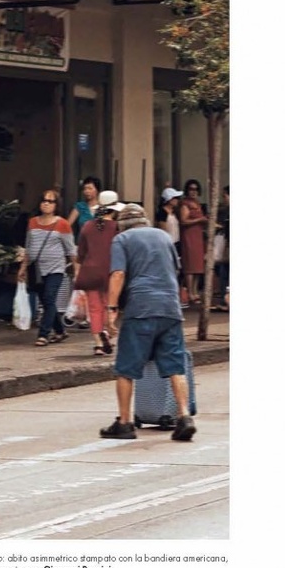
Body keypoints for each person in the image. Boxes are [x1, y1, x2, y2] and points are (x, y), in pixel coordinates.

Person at [100, 203, 196, 442]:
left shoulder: (121, 240)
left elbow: (118, 274)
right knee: (175, 366)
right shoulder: (164, 237)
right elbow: (175, 269)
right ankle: (184, 416)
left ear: (122, 225)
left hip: (141, 308)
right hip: (170, 308)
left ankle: (124, 423)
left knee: (126, 368)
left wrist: (111, 309)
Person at [18, 190, 77, 347]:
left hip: (55, 268)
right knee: (46, 301)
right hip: (36, 269)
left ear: (56, 205)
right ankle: (60, 331)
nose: (46, 204)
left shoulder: (62, 224)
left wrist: (76, 268)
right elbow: (28, 246)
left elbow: (71, 249)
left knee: (49, 298)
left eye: (50, 201)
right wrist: (23, 267)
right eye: (44, 200)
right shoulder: (32, 222)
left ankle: (43, 334)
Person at [74, 190, 123, 355]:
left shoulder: (87, 226)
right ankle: (107, 331)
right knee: (110, 305)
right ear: (114, 210)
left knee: (94, 308)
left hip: (90, 271)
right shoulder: (117, 228)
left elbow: (81, 253)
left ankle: (98, 343)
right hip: (110, 270)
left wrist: (78, 269)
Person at [178, 178, 208, 304]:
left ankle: (195, 291)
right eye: (191, 189)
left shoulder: (197, 203)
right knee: (190, 265)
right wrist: (199, 220)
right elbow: (183, 221)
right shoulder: (185, 204)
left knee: (197, 265)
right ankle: (190, 292)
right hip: (189, 235)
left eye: (196, 189)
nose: (193, 191)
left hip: (198, 235)